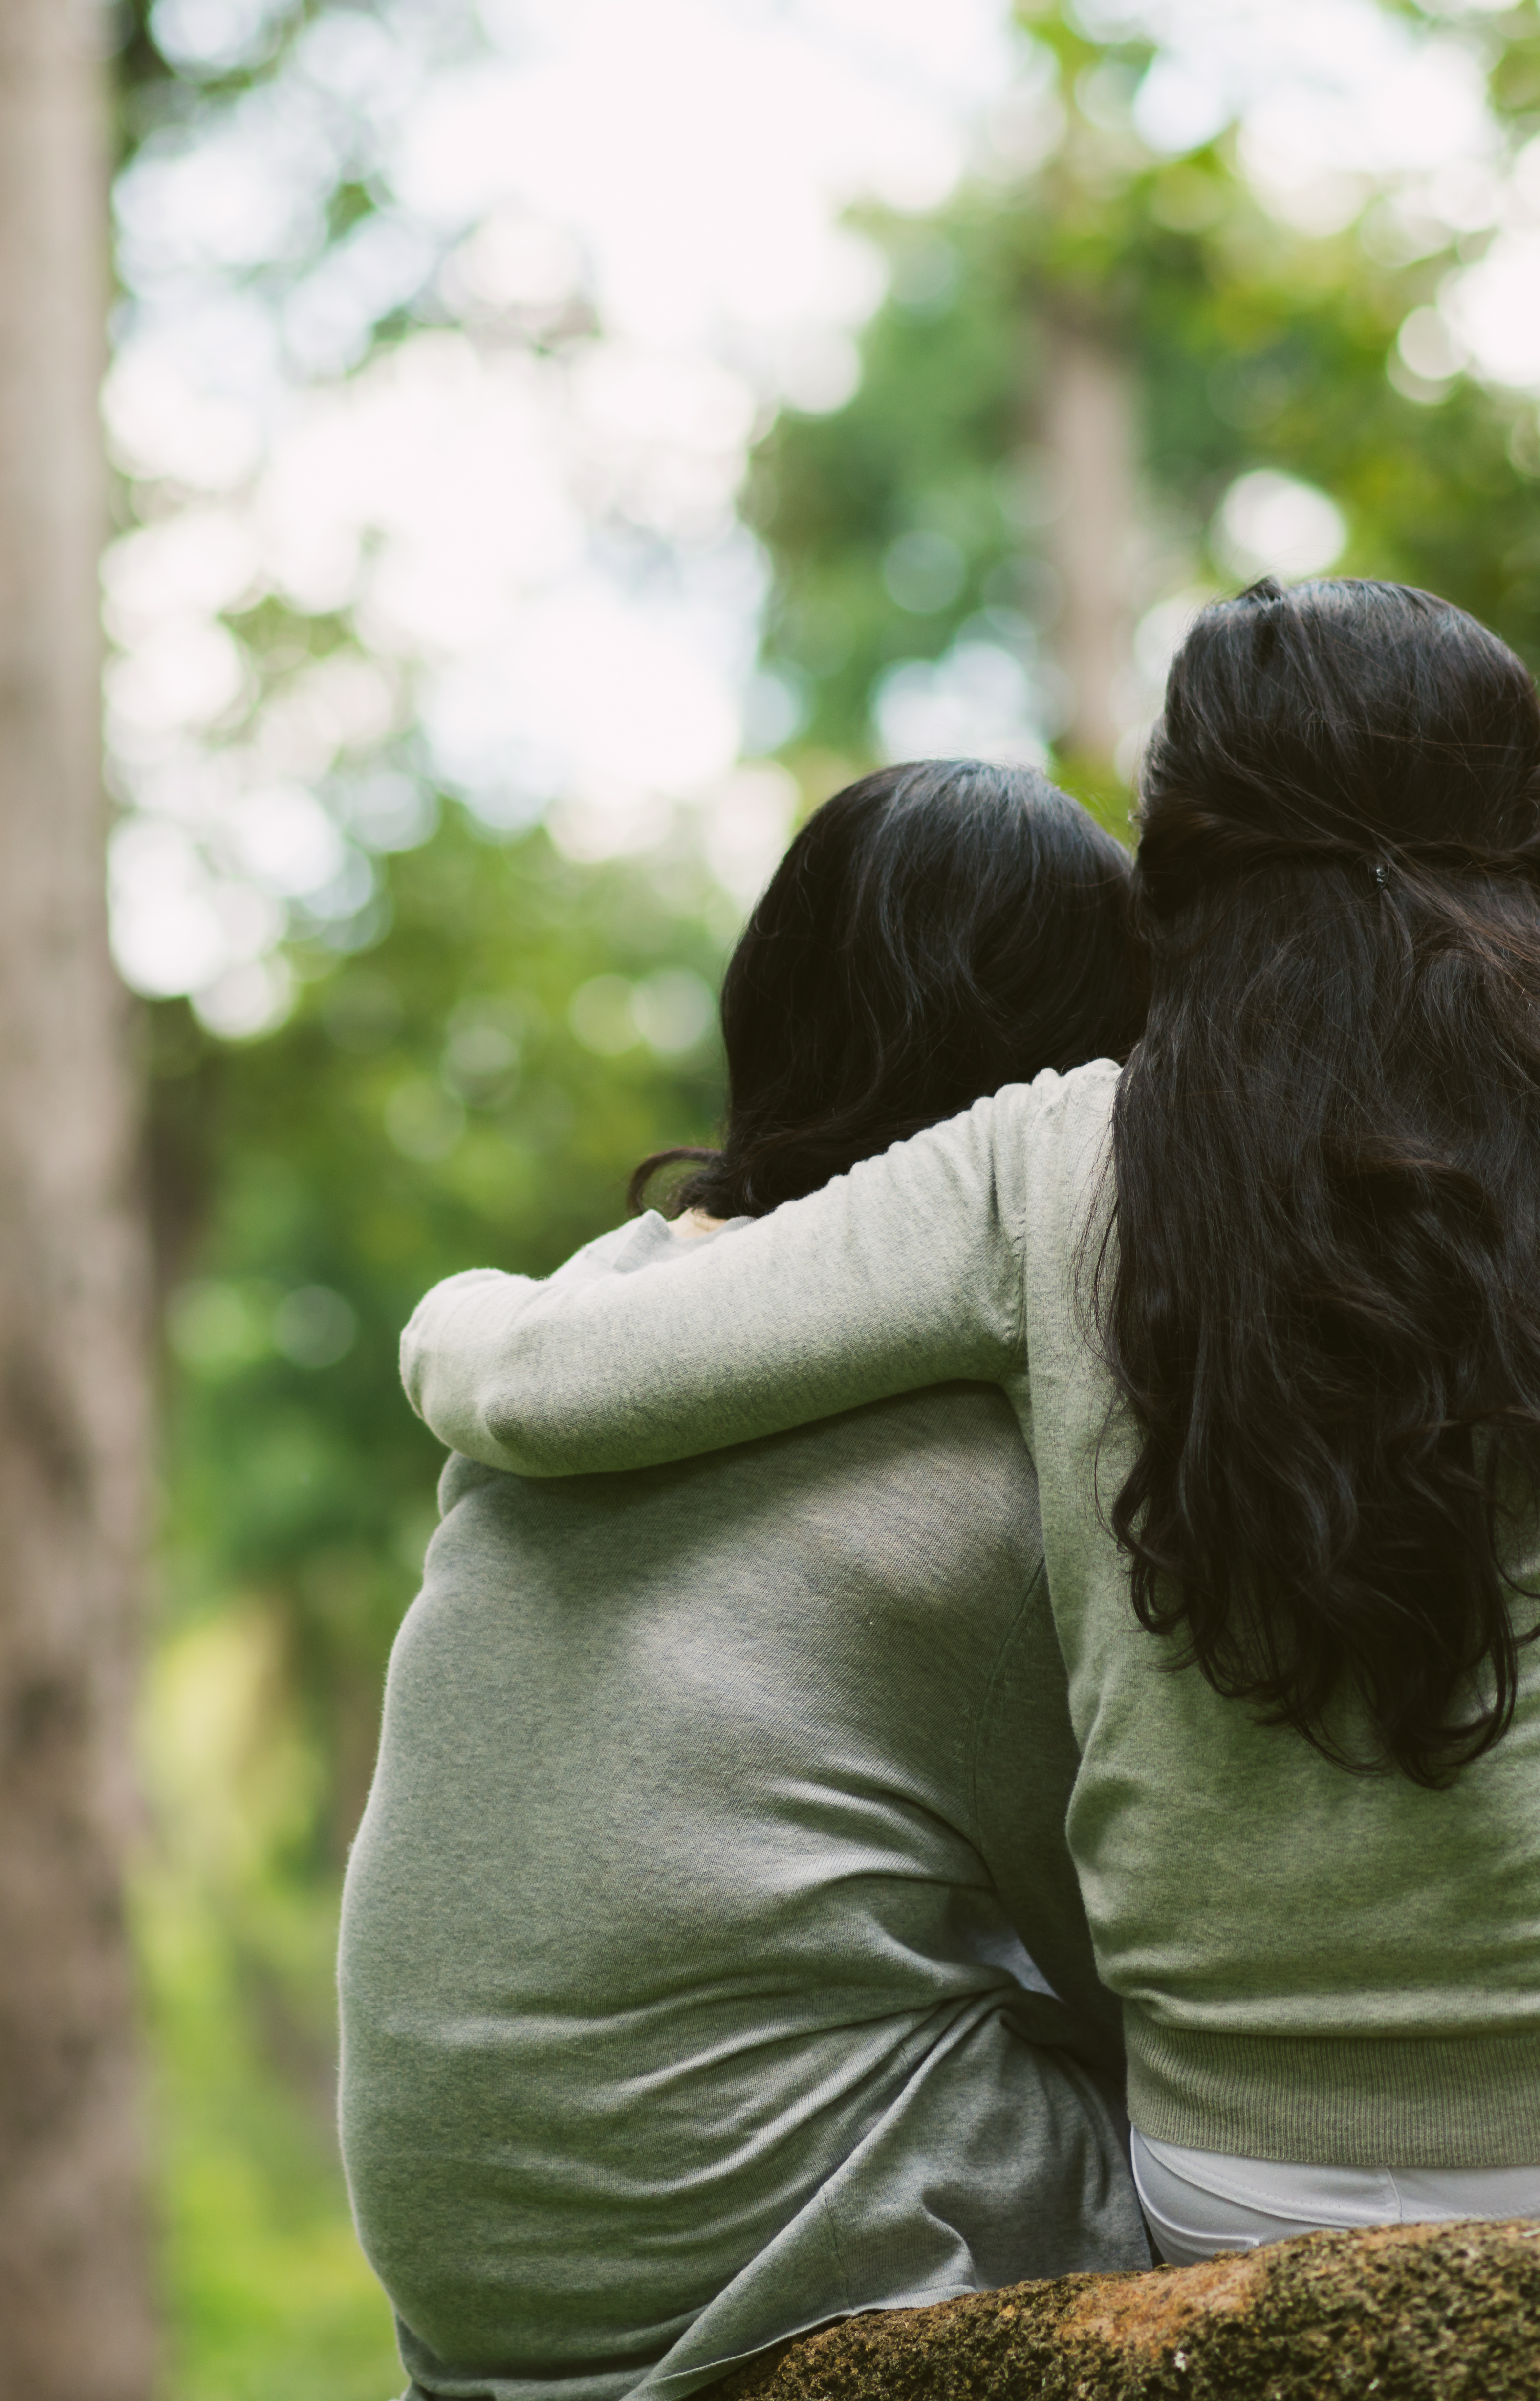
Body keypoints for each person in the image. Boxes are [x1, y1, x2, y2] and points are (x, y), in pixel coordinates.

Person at [399, 580, 1540, 2371]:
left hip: (1231, 2172)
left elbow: (541, 1381)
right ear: (1531, 858)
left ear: (1178, 872)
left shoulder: (1047, 1165)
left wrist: (455, 1315)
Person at [338, 758, 1160, 2401]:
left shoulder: (598, 1304)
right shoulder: (964, 1469)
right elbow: (1131, 1947)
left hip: (474, 2297)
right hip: (764, 2268)